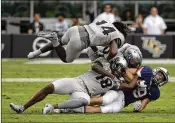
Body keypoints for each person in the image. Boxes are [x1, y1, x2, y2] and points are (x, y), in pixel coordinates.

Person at [9, 55, 125, 114]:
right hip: (77, 82)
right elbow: (95, 66)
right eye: (120, 68)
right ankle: (22, 107)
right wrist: (111, 76)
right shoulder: (104, 64)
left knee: (84, 101)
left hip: (84, 93)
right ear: (115, 64)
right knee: (49, 87)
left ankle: (52, 107)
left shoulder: (117, 81)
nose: (120, 71)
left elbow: (124, 87)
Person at [50, 67, 169, 114]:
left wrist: (139, 108)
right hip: (120, 91)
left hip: (123, 102)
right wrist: (137, 79)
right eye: (159, 74)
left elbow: (145, 102)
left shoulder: (155, 92)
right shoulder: (147, 71)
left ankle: (69, 110)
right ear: (156, 71)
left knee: (106, 110)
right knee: (105, 100)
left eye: (162, 77)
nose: (159, 77)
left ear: (163, 82)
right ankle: (75, 102)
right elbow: (127, 71)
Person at [27, 20, 130, 63]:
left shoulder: (106, 23)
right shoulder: (119, 36)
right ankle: (54, 39)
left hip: (76, 29)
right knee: (66, 59)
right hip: (82, 40)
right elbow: (113, 52)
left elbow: (94, 36)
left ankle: (34, 53)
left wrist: (96, 51)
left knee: (61, 41)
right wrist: (106, 61)